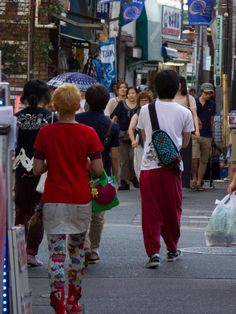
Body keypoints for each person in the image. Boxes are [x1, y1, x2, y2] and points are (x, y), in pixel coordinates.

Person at [33, 83, 104, 313]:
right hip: (79, 199)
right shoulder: (88, 133)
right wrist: (83, 163)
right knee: (76, 252)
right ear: (77, 105)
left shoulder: (45, 132)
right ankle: (74, 300)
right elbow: (98, 170)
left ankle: (58, 300)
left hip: (53, 199)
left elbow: (37, 169)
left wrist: (52, 162)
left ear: (54, 106)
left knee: (55, 254)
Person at [137, 70, 194, 268]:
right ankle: (172, 248)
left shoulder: (145, 110)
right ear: (177, 88)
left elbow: (145, 138)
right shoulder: (185, 112)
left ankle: (153, 254)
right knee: (172, 210)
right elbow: (185, 143)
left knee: (150, 211)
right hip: (172, 168)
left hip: (148, 168)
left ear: (156, 88)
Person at [75, 84, 120, 264]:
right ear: (105, 102)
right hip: (101, 173)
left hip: (79, 171)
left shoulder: (77, 120)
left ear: (87, 100)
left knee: (81, 210)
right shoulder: (111, 125)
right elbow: (115, 155)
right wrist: (115, 176)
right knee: (98, 214)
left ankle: (83, 244)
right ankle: (93, 249)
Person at [13, 79, 53, 267]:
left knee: (21, 210)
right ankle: (31, 252)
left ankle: (17, 250)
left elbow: (11, 146)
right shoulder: (50, 118)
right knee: (38, 212)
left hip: (20, 169)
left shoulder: (16, 118)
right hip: (42, 170)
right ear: (45, 95)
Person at [111, 86, 139, 190]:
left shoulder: (140, 106)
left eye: (133, 93)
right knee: (123, 159)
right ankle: (123, 181)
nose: (131, 95)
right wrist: (110, 128)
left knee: (133, 157)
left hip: (135, 136)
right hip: (122, 135)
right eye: (129, 93)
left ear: (137, 94)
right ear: (127, 95)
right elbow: (114, 117)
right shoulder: (121, 104)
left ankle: (133, 177)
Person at [174, 76, 200, 188]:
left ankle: (184, 181)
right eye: (176, 83)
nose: (178, 86)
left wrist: (197, 130)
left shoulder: (189, 98)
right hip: (172, 129)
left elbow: (194, 115)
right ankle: (174, 178)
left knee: (185, 155)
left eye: (180, 83)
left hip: (186, 130)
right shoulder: (170, 96)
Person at [191, 82, 216, 191]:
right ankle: (194, 178)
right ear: (201, 92)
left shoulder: (212, 104)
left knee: (204, 160)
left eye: (210, 93)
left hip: (207, 134)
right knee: (194, 158)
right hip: (195, 134)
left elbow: (212, 120)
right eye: (206, 93)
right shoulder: (194, 102)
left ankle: (199, 182)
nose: (208, 95)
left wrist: (213, 135)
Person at [128, 91, 153, 180]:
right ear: (139, 102)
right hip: (141, 141)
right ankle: (142, 181)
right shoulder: (137, 114)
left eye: (146, 100)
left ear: (150, 101)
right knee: (140, 163)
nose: (144, 102)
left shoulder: (154, 112)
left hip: (153, 140)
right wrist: (133, 140)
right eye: (142, 101)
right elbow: (131, 128)